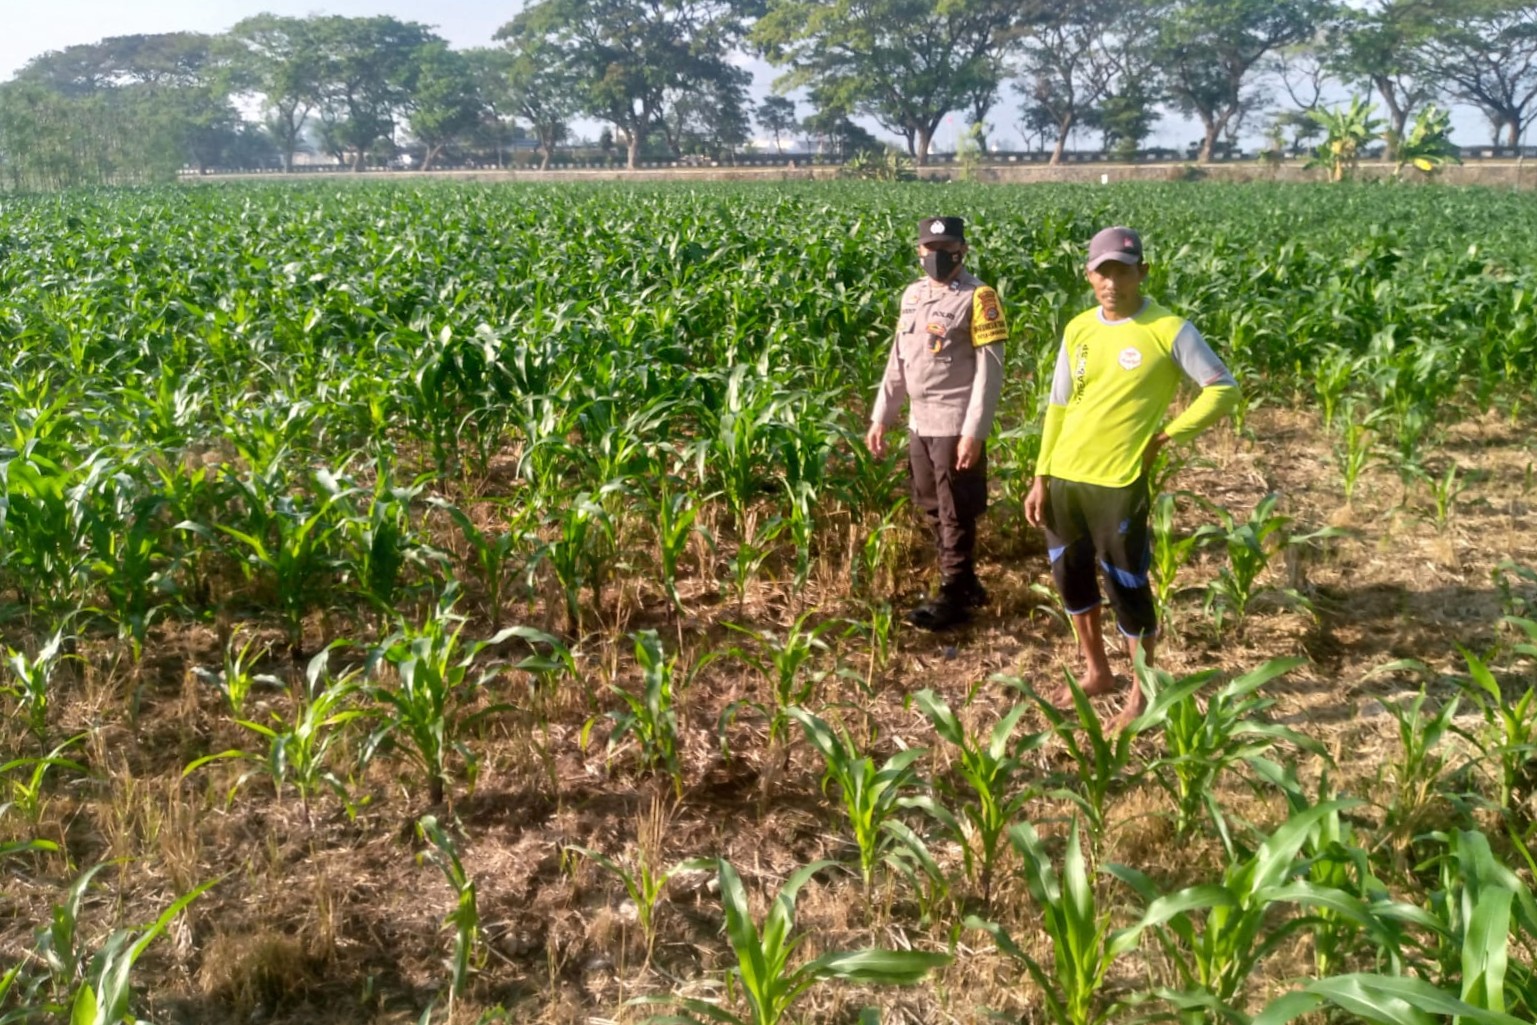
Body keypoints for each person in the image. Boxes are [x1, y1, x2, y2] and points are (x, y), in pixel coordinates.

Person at [1024, 225, 1238, 726]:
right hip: (1065, 477)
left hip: (1118, 482)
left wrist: (1167, 436)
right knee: (1070, 578)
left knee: (1126, 588)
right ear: (1089, 276)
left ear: (1142, 272)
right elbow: (1058, 405)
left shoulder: (1168, 330)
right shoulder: (1078, 328)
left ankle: (1142, 693)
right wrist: (1041, 474)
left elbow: (1222, 388)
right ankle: (1097, 671)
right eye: (1103, 272)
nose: (1112, 283)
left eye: (1122, 271)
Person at [866, 216, 1008, 630]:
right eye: (931, 248)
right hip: (920, 422)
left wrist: (974, 431)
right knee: (930, 503)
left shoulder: (980, 298)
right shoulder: (912, 296)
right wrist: (881, 417)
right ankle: (964, 581)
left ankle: (953, 594)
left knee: (955, 509)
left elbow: (990, 372)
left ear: (962, 250)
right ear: (919, 251)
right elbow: (899, 362)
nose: (939, 257)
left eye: (948, 249)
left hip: (953, 420)